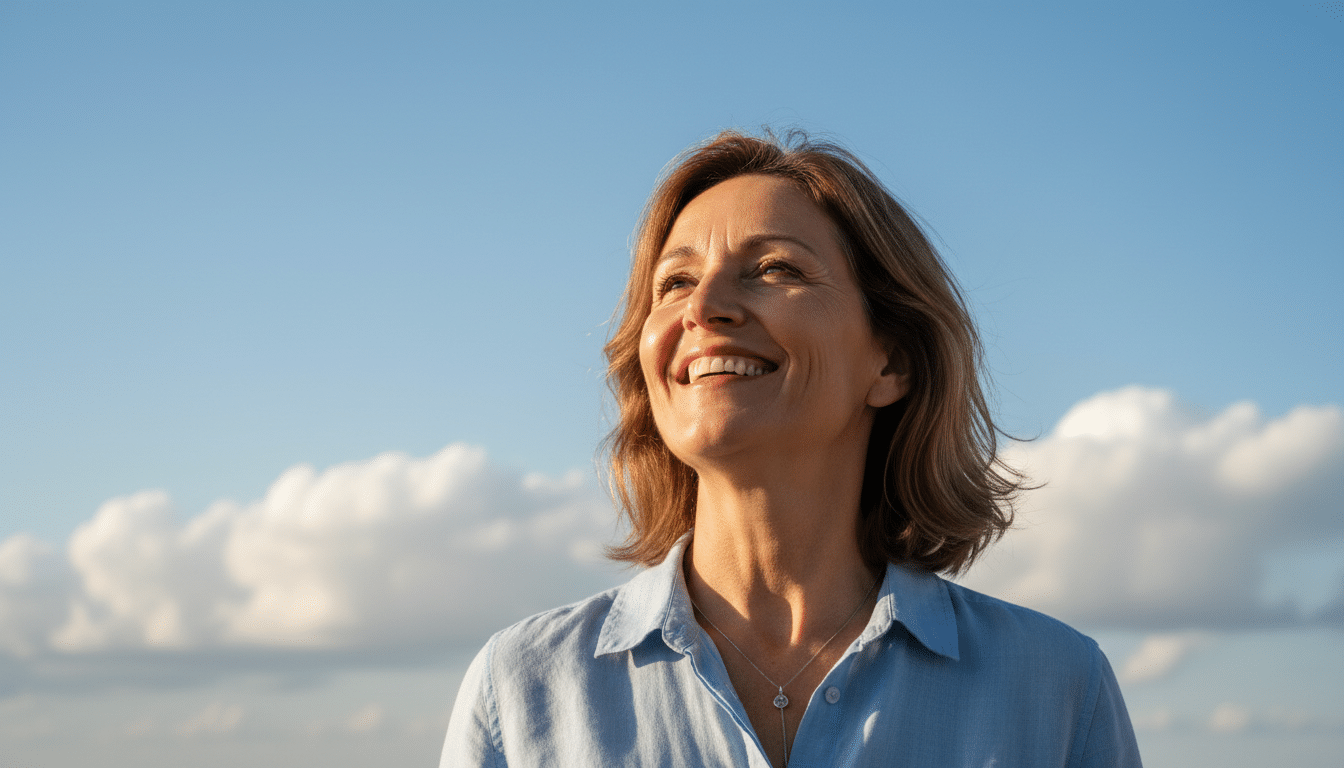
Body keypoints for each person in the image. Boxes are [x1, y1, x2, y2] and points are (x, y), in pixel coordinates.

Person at [441, 130, 1142, 767]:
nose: (704, 305)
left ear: (891, 362)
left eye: (775, 268)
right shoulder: (522, 689)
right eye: (675, 281)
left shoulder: (1057, 691)